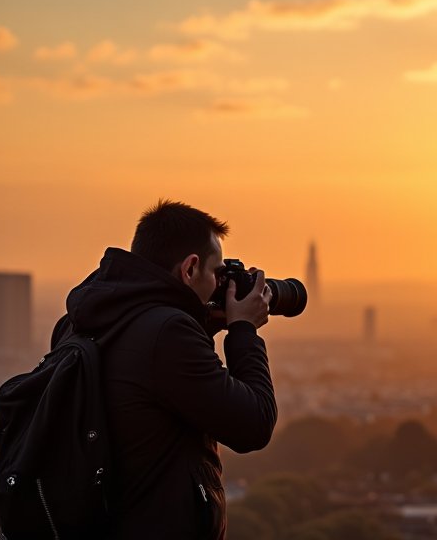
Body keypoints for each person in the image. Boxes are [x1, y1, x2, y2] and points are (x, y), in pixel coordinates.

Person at [51, 199, 277, 539]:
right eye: (217, 274)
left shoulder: (79, 322)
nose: (221, 286)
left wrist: (202, 326)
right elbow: (254, 424)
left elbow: (145, 382)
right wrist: (243, 330)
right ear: (189, 269)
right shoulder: (168, 333)